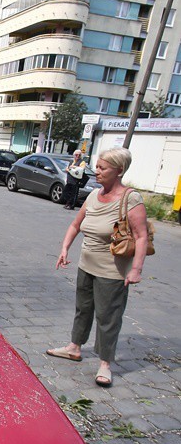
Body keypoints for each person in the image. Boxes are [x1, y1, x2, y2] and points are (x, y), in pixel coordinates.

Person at [46, 147, 149, 388]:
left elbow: (141, 236)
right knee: (83, 308)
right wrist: (65, 248)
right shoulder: (93, 195)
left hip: (112, 271)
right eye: (98, 166)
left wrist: (136, 269)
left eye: (103, 168)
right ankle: (74, 347)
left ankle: (105, 363)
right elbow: (76, 224)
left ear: (119, 170)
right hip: (86, 265)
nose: (97, 171)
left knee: (108, 317)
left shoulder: (130, 199)